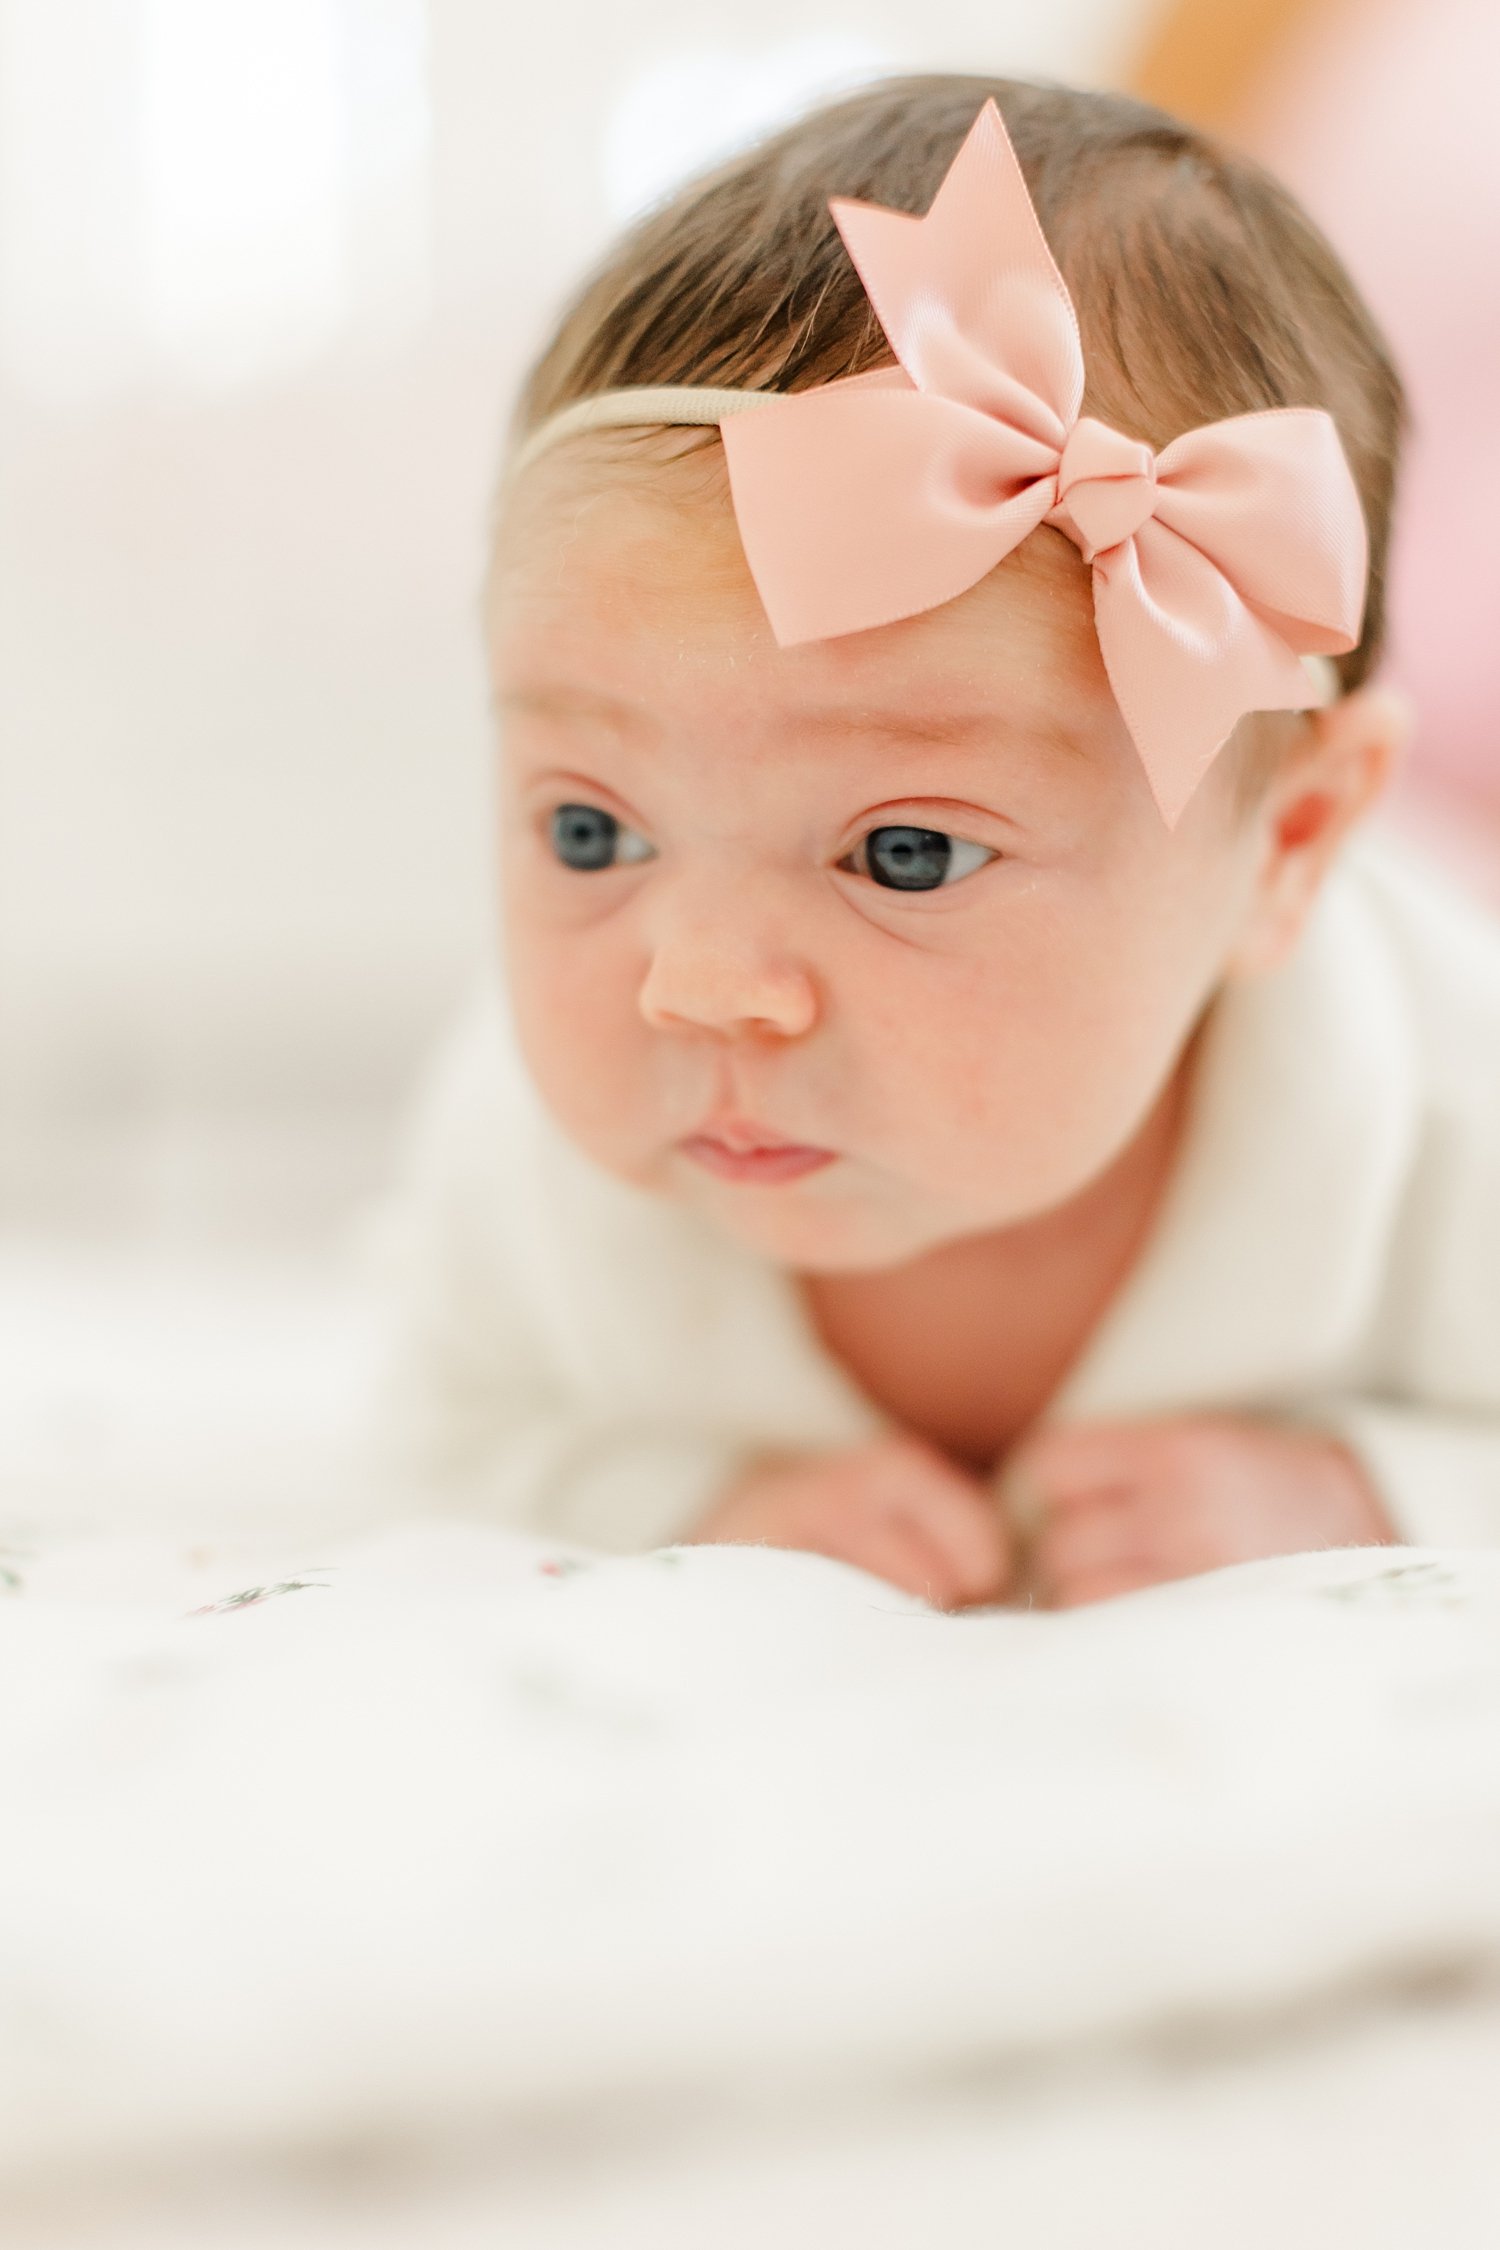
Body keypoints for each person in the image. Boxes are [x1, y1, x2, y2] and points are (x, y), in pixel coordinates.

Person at [366, 74, 1500, 1610]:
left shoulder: (1442, 1108)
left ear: (1289, 847)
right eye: (590, 829)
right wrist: (696, 1496)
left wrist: (1351, 1485)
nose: (697, 984)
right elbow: (442, 1423)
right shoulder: (529, 1164)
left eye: (903, 854)